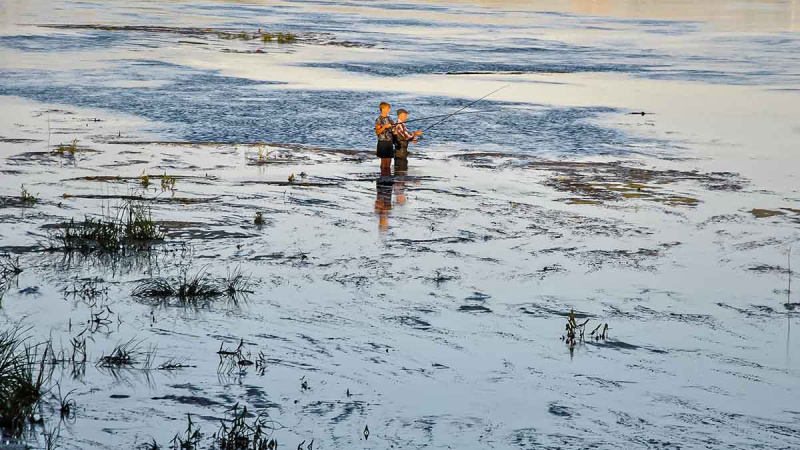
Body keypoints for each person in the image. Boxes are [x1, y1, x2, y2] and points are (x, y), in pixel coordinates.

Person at [374, 102, 395, 171]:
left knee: (389, 162)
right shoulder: (379, 119)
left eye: (389, 108)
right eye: (388, 108)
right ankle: (382, 178)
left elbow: (394, 129)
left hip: (389, 142)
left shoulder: (390, 118)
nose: (389, 110)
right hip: (382, 142)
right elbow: (377, 132)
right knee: (384, 162)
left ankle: (387, 178)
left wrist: (395, 128)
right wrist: (384, 127)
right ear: (383, 109)